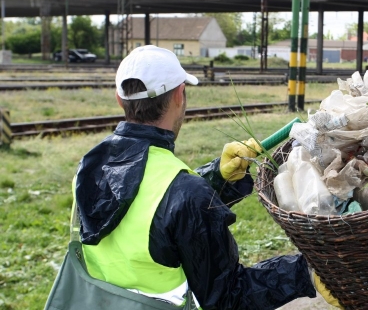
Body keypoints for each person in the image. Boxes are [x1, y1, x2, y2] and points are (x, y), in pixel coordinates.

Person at [72, 45, 339, 309]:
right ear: (179, 94)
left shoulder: (90, 169)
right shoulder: (186, 193)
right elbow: (229, 298)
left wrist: (217, 178)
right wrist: (304, 272)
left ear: (120, 100)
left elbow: (148, 213)